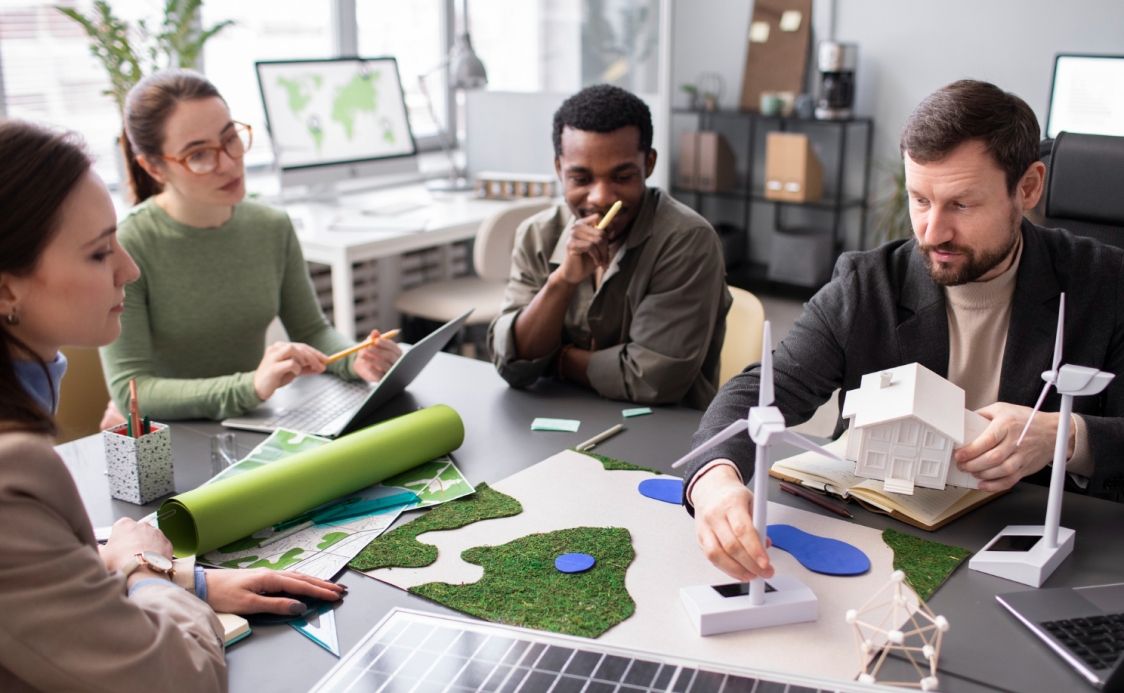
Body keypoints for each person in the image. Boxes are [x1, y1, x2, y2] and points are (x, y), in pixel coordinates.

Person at [683, 80, 1124, 583]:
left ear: (1027, 188)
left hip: (1035, 555)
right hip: (878, 542)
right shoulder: (866, 284)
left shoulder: (1105, 284)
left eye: (961, 205)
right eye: (920, 199)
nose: (932, 232)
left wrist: (1066, 436)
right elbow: (763, 390)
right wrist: (715, 480)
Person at [0, 119, 346, 692]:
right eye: (96, 254)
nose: (128, 270)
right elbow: (179, 678)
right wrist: (145, 570)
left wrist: (188, 582)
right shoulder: (14, 471)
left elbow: (50, 581)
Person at [99, 69, 401, 423]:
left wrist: (356, 358)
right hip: (169, 439)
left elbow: (312, 331)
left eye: (231, 139)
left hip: (248, 424)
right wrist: (251, 386)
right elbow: (132, 391)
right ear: (154, 167)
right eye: (198, 155)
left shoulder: (271, 227)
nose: (228, 163)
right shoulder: (129, 246)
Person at [487, 85, 732, 411]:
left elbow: (652, 380)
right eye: (581, 178)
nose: (601, 197)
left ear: (649, 163)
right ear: (560, 169)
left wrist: (555, 359)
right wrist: (562, 281)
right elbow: (513, 363)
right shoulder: (536, 234)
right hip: (557, 419)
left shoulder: (686, 241)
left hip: (662, 431)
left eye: (622, 176)